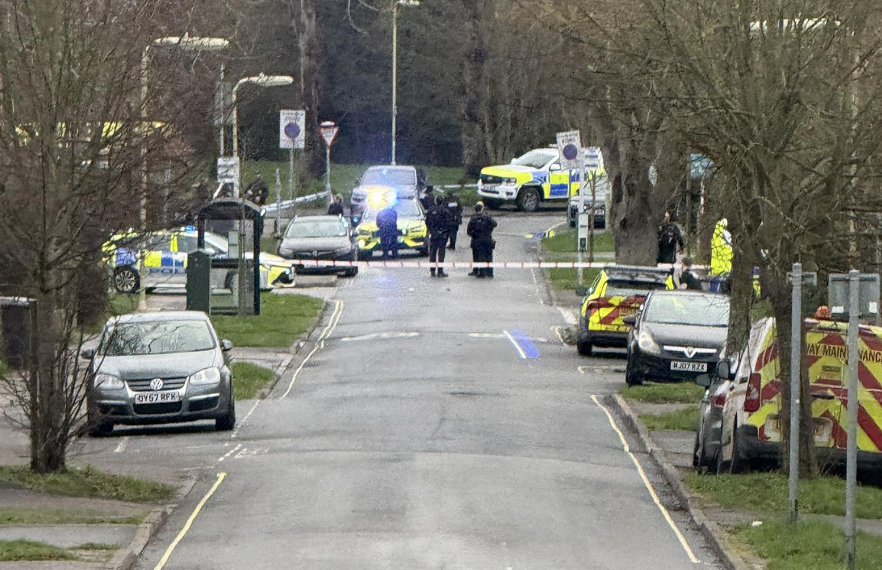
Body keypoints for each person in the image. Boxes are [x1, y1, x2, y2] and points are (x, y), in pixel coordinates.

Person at [467, 202, 497, 278]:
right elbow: (495, 224)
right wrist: (489, 229)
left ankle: (482, 273)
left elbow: (468, 231)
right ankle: (490, 273)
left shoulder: (473, 219)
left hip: (477, 240)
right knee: (489, 256)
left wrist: (475, 235)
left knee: (481, 256)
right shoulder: (487, 217)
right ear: (482, 209)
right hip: (487, 239)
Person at [425, 195, 452, 277]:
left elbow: (427, 222)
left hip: (434, 234)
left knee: (432, 252)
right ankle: (440, 271)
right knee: (441, 253)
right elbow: (448, 224)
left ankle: (432, 271)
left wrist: (432, 230)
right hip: (442, 235)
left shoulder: (430, 210)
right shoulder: (445, 211)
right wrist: (446, 233)